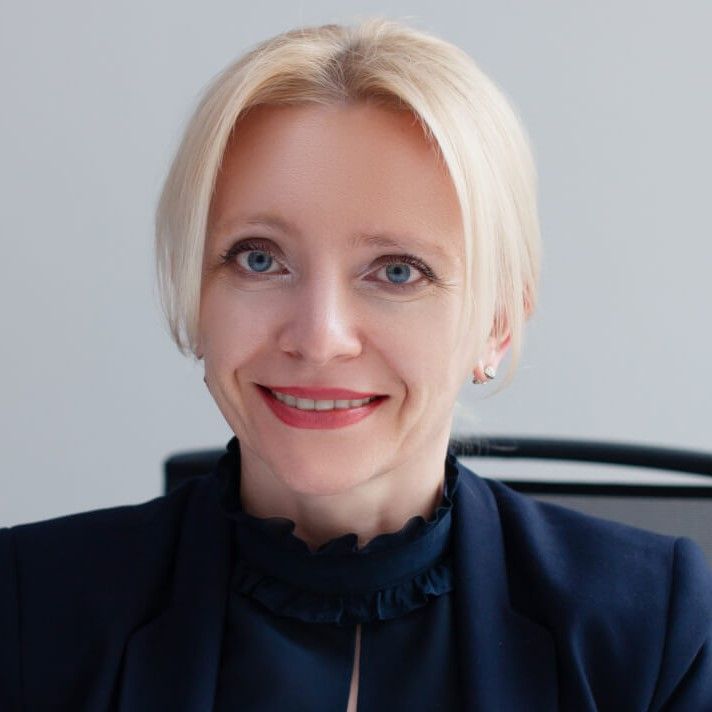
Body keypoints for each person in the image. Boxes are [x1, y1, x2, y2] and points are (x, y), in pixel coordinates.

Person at [2, 17, 711, 712]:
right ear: (196, 295)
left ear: (496, 324)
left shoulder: (656, 631)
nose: (319, 338)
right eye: (259, 259)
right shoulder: (28, 610)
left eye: (398, 271)